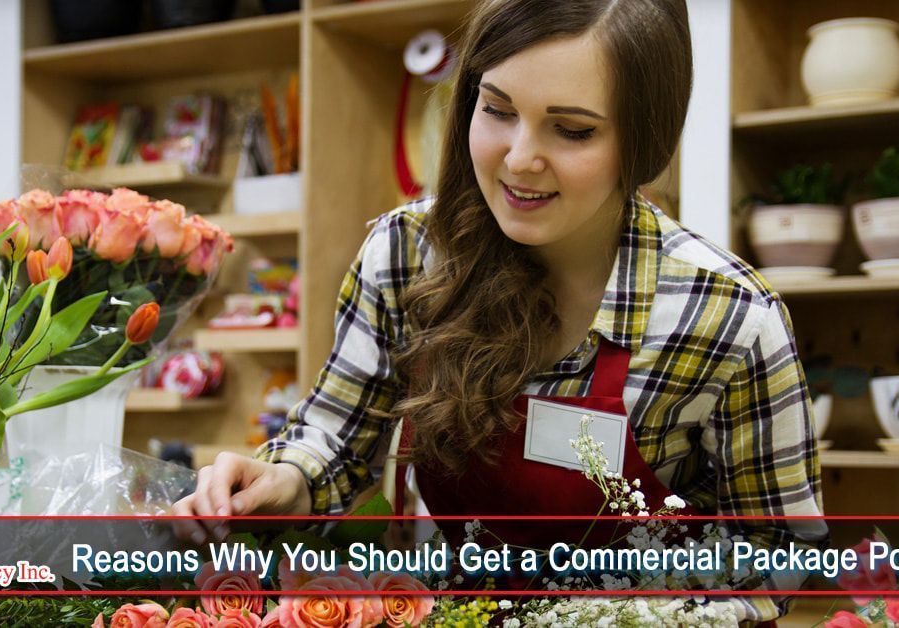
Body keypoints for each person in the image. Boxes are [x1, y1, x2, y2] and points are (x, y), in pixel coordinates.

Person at [173, 0, 826, 622]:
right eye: (497, 110)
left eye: (572, 130)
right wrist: (281, 480)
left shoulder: (728, 317)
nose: (519, 160)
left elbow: (778, 554)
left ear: (644, 140)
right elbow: (338, 441)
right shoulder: (407, 256)